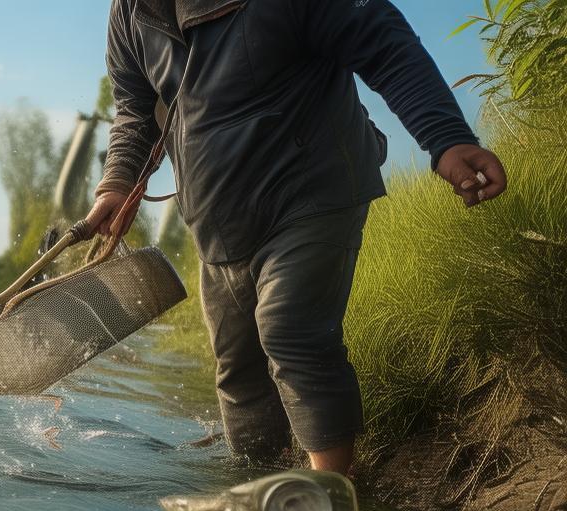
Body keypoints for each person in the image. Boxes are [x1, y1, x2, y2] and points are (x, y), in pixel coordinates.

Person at [85, 0, 507, 475]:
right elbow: (136, 109)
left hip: (311, 189)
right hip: (219, 218)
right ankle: (262, 486)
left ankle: (331, 489)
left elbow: (382, 42)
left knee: (291, 332)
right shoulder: (131, 12)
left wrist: (447, 138)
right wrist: (117, 183)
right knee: (239, 372)